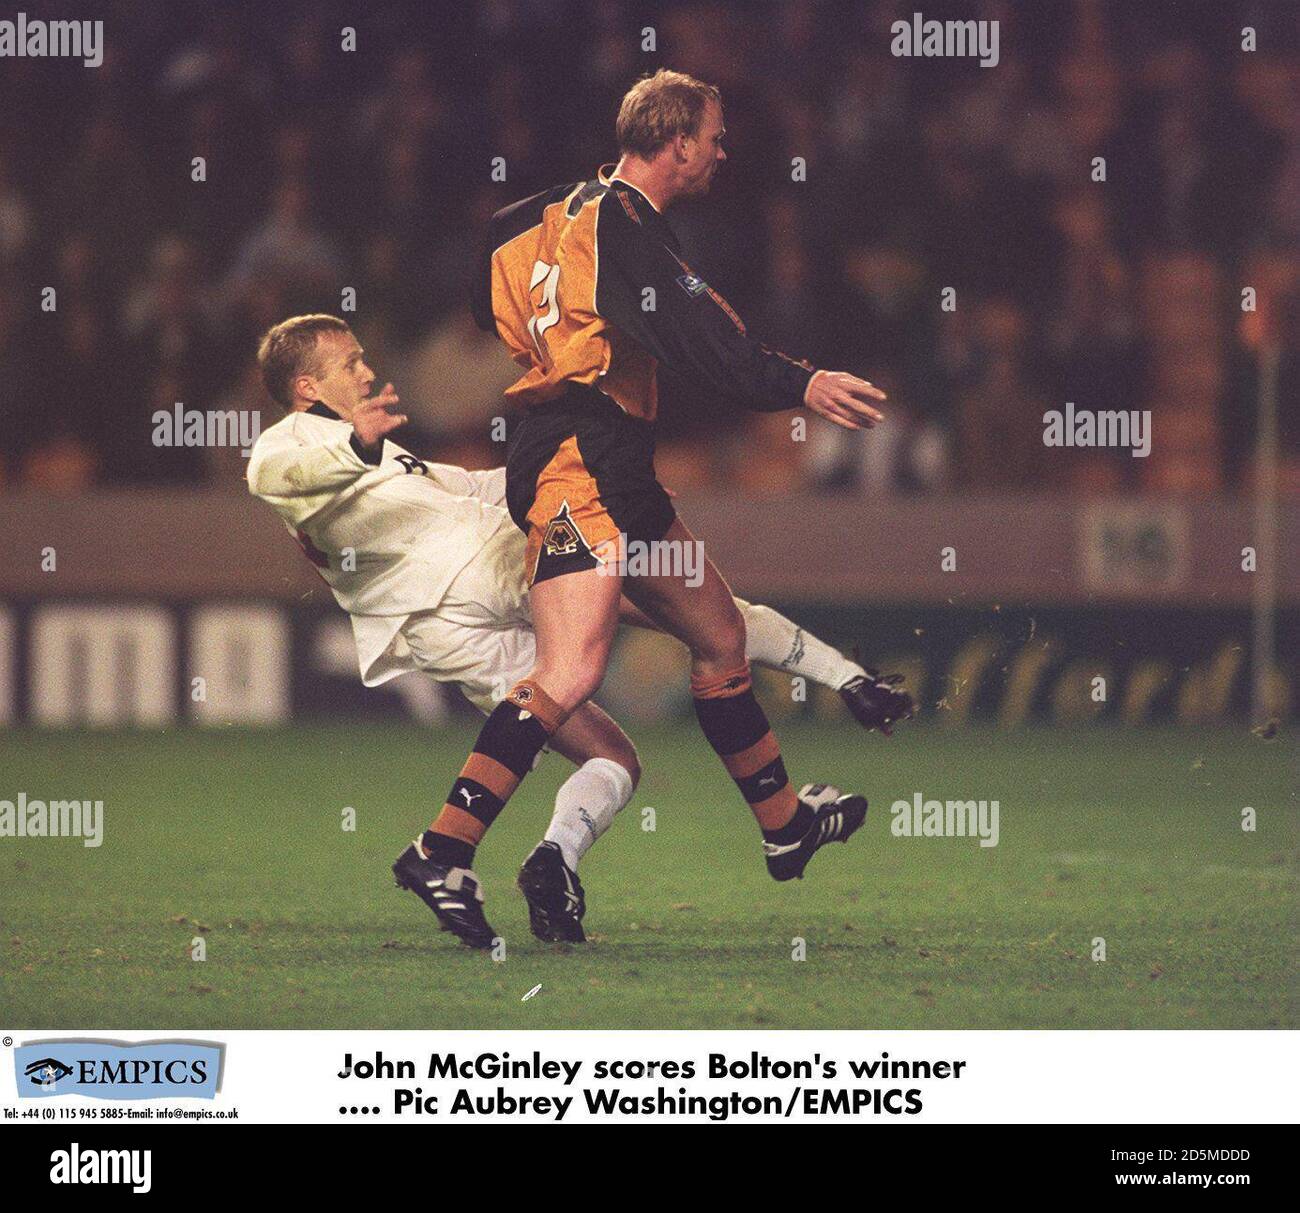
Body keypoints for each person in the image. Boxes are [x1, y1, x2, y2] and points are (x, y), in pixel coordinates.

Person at [405, 69, 897, 947]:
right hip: (574, 465)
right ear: (676, 143)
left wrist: (551, 337)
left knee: (717, 633)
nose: (721, 150)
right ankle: (442, 847)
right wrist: (802, 380)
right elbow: (717, 347)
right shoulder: (631, 229)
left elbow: (490, 275)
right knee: (570, 672)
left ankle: (784, 823)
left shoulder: (537, 213)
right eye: (712, 135)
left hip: (617, 470)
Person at [248, 313, 912, 946]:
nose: (366, 370)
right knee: (698, 612)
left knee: (614, 758)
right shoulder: (295, 444)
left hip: (438, 623)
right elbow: (273, 474)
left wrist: (573, 475)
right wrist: (359, 445)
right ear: (306, 387)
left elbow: (473, 487)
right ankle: (834, 708)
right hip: (477, 567)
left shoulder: (379, 455)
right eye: (350, 361)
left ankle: (527, 857)